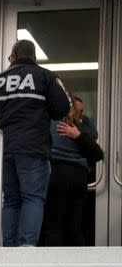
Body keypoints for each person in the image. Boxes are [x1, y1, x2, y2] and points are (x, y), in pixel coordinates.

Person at [0, 39, 71, 247]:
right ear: (34, 56)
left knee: (10, 199)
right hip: (32, 148)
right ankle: (26, 247)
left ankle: (10, 247)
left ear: (13, 55)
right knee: (32, 197)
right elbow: (62, 108)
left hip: (3, 150)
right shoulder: (45, 76)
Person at [42, 95, 103, 246]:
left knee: (55, 226)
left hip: (56, 175)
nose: (79, 114)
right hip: (77, 176)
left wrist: (78, 135)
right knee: (73, 226)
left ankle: (53, 266)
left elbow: (97, 152)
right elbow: (97, 153)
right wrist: (80, 135)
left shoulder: (49, 120)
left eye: (81, 111)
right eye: (77, 110)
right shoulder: (83, 126)